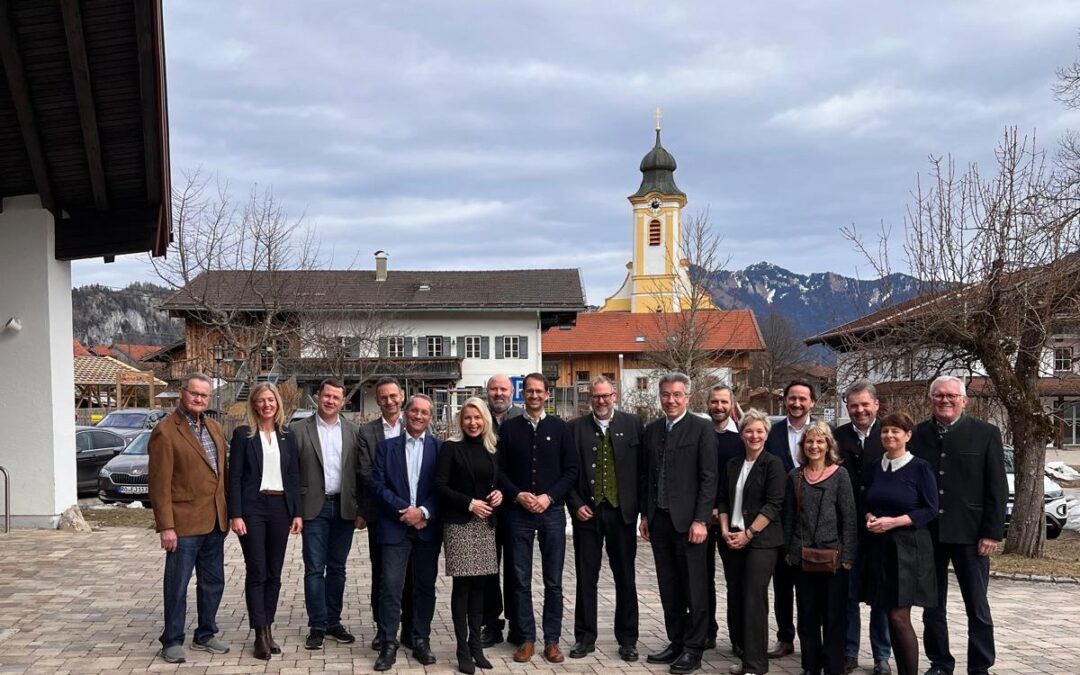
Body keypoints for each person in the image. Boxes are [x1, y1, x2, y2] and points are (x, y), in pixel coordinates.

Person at [910, 376, 1007, 675]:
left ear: (964, 400)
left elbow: (997, 487)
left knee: (977, 606)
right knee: (932, 606)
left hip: (971, 534)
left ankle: (980, 666)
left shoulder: (986, 434)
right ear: (931, 399)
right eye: (939, 395)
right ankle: (940, 663)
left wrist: (992, 531)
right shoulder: (917, 435)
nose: (945, 400)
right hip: (930, 534)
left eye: (952, 395)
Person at [148, 373, 230, 663]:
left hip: (215, 522)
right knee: (177, 585)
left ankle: (206, 633)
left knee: (213, 582)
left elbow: (221, 474)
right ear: (182, 393)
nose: (199, 399)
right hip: (182, 525)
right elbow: (159, 484)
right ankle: (171, 640)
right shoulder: (166, 431)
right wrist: (166, 526)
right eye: (194, 393)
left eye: (204, 395)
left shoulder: (214, 428)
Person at [497, 372, 578, 664]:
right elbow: (500, 471)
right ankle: (527, 638)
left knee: (553, 580)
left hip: (552, 512)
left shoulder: (560, 428)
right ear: (523, 395)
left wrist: (549, 497)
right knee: (519, 579)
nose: (533, 396)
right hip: (518, 512)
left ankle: (552, 640)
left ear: (547, 395)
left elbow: (571, 470)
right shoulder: (509, 428)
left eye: (538, 391)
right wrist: (517, 494)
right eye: (528, 391)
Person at [641, 373, 718, 675]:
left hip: (690, 524)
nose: (670, 400)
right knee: (669, 586)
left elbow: (709, 478)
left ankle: (694, 648)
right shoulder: (652, 430)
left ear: (687, 397)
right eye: (665, 394)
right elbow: (647, 476)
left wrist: (701, 519)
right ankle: (676, 640)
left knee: (694, 588)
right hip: (660, 521)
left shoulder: (701, 428)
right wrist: (646, 516)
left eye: (676, 395)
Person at [566, 376, 645, 662]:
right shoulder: (574, 428)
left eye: (605, 396)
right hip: (587, 514)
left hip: (622, 514)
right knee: (586, 578)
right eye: (595, 396)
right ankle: (584, 638)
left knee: (625, 577)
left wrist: (641, 511)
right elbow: (569, 472)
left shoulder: (633, 424)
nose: (601, 401)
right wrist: (575, 504)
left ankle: (628, 639)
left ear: (614, 396)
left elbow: (642, 470)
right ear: (590, 398)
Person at [227, 382, 303, 660]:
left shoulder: (287, 435)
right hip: (253, 509)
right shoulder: (243, 435)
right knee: (257, 570)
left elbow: (294, 476)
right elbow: (233, 477)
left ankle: (268, 627)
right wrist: (236, 514)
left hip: (281, 507)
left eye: (271, 400)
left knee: (274, 573)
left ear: (278, 403)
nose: (266, 404)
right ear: (254, 404)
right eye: (261, 400)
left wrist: (297, 512)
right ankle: (259, 633)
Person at [863, 412, 940, 675]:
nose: (889, 435)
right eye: (885, 431)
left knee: (899, 616)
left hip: (908, 550)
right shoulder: (876, 466)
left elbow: (930, 509)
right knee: (886, 613)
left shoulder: (920, 467)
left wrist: (893, 522)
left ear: (907, 436)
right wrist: (870, 517)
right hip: (880, 549)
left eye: (896, 431)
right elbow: (869, 502)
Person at [371, 394, 443, 671]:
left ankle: (420, 639)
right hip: (395, 527)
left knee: (425, 588)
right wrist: (406, 512)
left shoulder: (440, 449)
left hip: (427, 529)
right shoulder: (386, 448)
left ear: (430, 417)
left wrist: (423, 512)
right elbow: (378, 486)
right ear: (405, 412)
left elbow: (443, 488)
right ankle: (389, 643)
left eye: (425, 412)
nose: (418, 416)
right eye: (414, 410)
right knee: (390, 587)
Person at [434, 397, 504, 674]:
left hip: (486, 525)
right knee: (463, 587)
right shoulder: (451, 448)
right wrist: (469, 503)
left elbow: (496, 482)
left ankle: (477, 645)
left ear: (485, 419)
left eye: (477, 418)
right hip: (461, 524)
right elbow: (439, 485)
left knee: (480, 587)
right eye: (467, 418)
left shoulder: (493, 448)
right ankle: (462, 649)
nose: (472, 423)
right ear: (460, 421)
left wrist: (500, 493)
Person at [292, 378, 362, 651]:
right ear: (317, 397)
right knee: (313, 569)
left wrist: (360, 510)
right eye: (326, 395)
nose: (331, 401)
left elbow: (360, 473)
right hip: (313, 509)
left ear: (343, 401)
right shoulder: (298, 430)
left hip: (344, 508)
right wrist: (295, 511)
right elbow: (292, 474)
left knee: (338, 569)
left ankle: (333, 621)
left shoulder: (354, 431)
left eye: (336, 397)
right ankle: (317, 626)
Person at [782, 422, 857, 675]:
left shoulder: (840, 475)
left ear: (828, 445)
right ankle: (810, 665)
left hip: (834, 559)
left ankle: (834, 666)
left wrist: (847, 556)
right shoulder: (795, 476)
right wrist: (791, 552)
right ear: (803, 446)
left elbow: (849, 518)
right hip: (803, 558)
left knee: (834, 617)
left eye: (820, 441)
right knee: (807, 614)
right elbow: (789, 517)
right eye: (809, 442)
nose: (814, 446)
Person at [717, 408, 786, 675]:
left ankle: (757, 665)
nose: (754, 435)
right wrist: (725, 530)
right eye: (749, 430)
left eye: (759, 431)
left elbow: (773, 505)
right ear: (741, 434)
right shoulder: (733, 464)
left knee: (754, 599)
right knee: (737, 597)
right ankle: (745, 655)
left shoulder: (773, 464)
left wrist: (748, 534)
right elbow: (723, 499)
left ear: (766, 434)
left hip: (761, 541)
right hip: (732, 537)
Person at [833, 381, 892, 675]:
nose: (860, 410)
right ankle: (848, 651)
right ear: (847, 407)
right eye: (854, 405)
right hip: (846, 530)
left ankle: (882, 655)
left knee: (880, 596)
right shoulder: (836, 437)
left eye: (865, 404)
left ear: (876, 405)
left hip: (882, 530)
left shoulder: (890, 435)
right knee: (848, 596)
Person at [357, 377, 414, 649]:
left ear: (401, 396)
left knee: (412, 575)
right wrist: (396, 502)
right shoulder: (366, 433)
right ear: (377, 400)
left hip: (415, 515)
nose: (389, 401)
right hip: (381, 514)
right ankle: (383, 629)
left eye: (393, 396)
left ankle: (411, 628)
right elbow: (366, 474)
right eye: (383, 397)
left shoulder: (415, 422)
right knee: (382, 574)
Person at [765, 379, 817, 659]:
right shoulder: (771, 433)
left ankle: (811, 641)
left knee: (810, 587)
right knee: (782, 584)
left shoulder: (824, 432)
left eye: (802, 399)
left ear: (812, 403)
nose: (797, 403)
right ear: (784, 400)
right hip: (780, 520)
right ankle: (785, 637)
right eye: (792, 398)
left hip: (815, 522)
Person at [480, 373, 524, 648]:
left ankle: (518, 625)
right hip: (487, 507)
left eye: (503, 389)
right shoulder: (478, 416)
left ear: (512, 392)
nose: (498, 393)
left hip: (516, 507)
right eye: (494, 389)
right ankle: (491, 624)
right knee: (488, 570)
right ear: (488, 392)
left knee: (517, 569)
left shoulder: (521, 418)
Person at [707, 384, 747, 656]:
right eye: (714, 402)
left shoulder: (741, 440)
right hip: (700, 519)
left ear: (732, 405)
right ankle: (706, 632)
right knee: (701, 580)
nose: (718, 407)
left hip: (731, 521)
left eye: (723, 402)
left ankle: (739, 639)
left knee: (735, 581)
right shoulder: (700, 435)